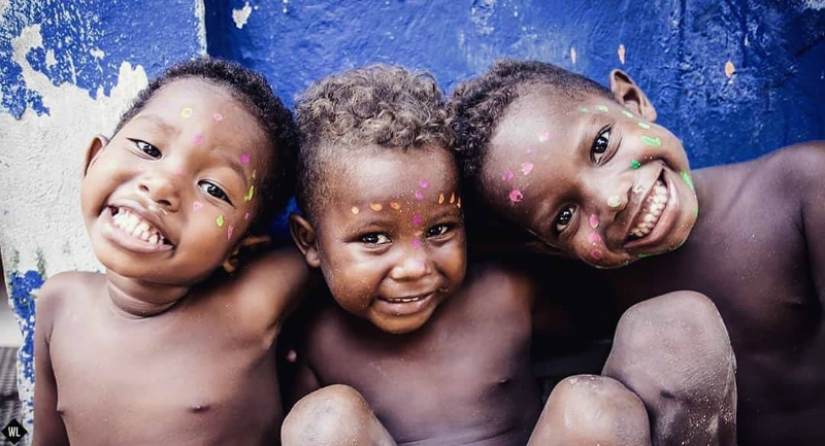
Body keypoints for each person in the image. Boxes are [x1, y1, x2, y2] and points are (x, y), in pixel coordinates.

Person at [280, 64, 735, 446]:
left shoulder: (506, 295)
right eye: (374, 239)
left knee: (592, 406)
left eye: (440, 230)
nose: (416, 267)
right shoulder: (315, 339)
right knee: (321, 422)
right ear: (308, 242)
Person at [449, 58, 824, 445]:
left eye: (601, 146)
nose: (612, 198)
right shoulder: (590, 287)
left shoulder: (804, 189)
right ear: (550, 248)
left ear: (632, 100)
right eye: (564, 217)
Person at [33, 58, 309, 446]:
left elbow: (342, 250)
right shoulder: (58, 302)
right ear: (95, 159)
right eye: (148, 148)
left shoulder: (250, 305)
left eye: (213, 188)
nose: (162, 185)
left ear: (240, 251)